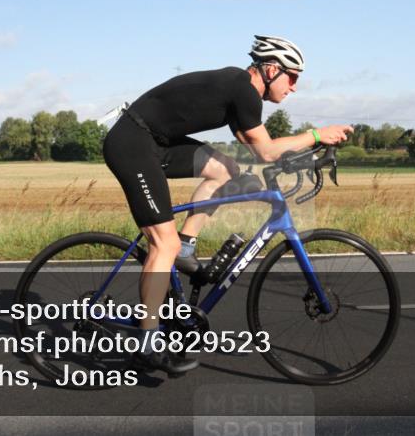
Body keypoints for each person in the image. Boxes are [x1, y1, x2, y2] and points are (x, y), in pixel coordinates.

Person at [102, 35, 353, 375]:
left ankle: (186, 247)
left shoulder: (241, 93)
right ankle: (147, 342)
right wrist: (316, 135)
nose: (294, 87)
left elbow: (255, 150)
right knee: (163, 241)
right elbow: (265, 151)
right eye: (292, 77)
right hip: (132, 143)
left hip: (157, 142)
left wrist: (302, 156)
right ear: (270, 69)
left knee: (225, 169)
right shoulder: (242, 89)